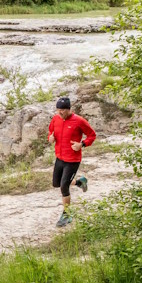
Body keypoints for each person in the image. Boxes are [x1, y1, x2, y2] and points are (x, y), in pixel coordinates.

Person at [48, 97, 96, 227]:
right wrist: (50, 138)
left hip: (73, 159)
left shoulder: (79, 121)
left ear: (69, 109)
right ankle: (80, 182)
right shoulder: (56, 119)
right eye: (58, 110)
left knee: (64, 186)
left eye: (62, 110)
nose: (60, 112)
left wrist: (82, 144)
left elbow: (92, 135)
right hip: (60, 157)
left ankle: (67, 214)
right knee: (56, 183)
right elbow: (50, 131)